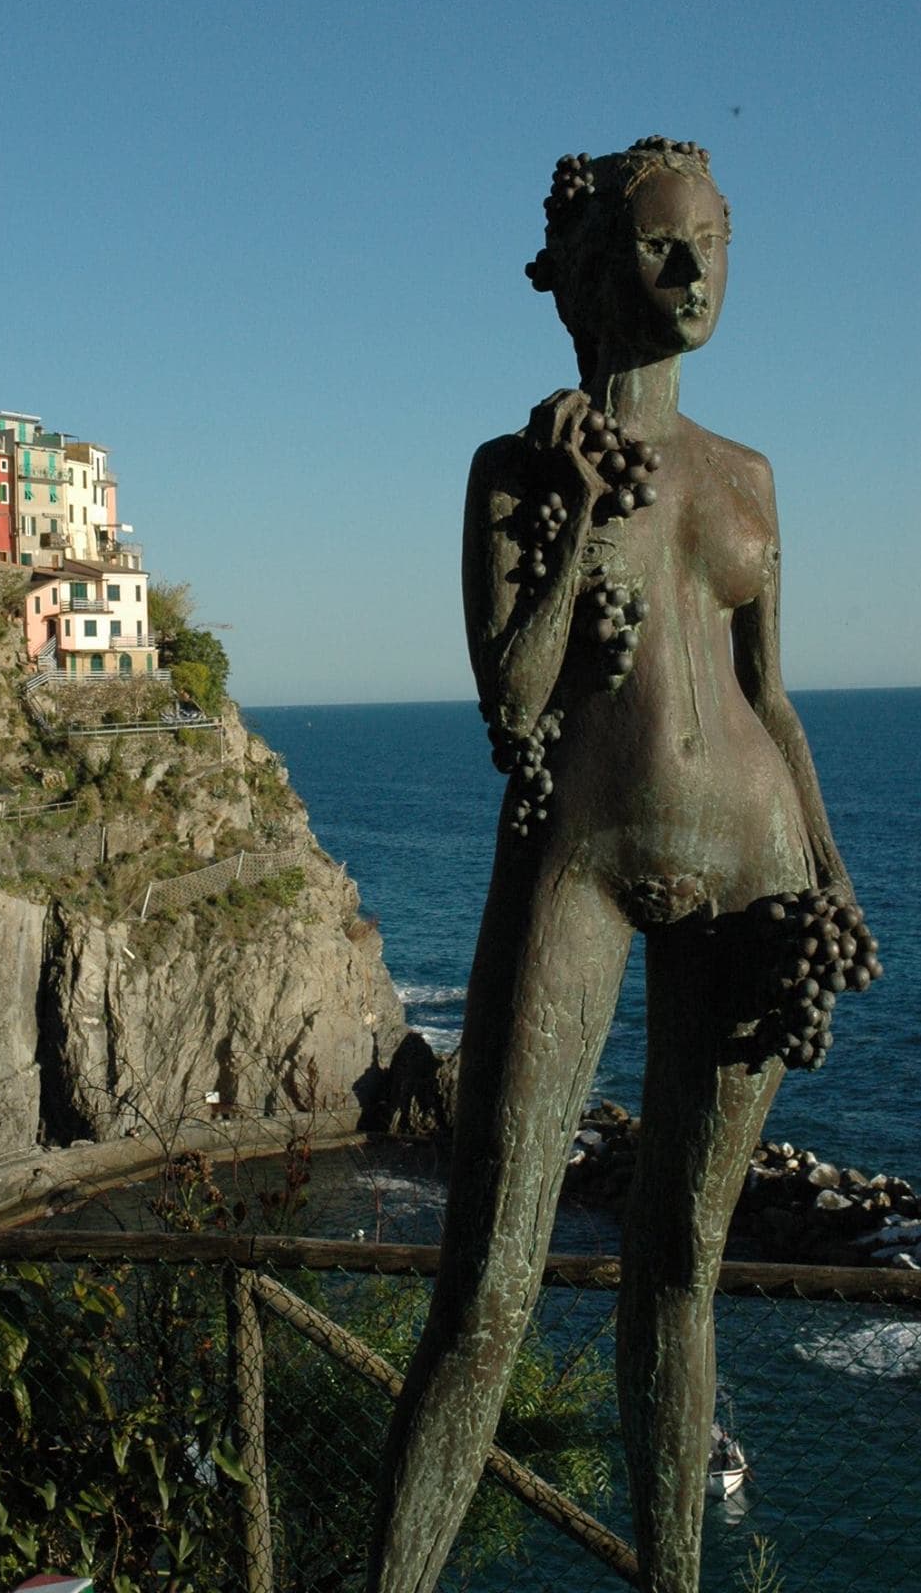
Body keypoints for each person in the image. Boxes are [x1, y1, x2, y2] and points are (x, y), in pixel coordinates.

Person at [368, 137, 861, 1593]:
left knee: (684, 1270)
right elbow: (514, 704)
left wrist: (830, 871)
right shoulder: (519, 471)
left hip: (757, 866)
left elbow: (770, 699)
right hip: (578, 858)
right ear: (590, 274)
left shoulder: (750, 475)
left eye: (713, 244)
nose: (695, 272)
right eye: (659, 246)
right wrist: (580, 509)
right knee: (486, 1288)